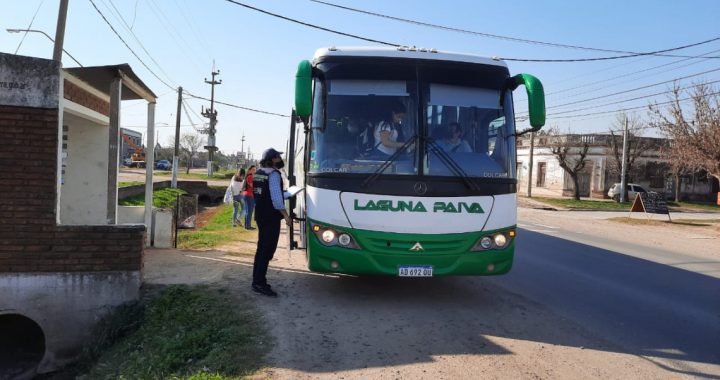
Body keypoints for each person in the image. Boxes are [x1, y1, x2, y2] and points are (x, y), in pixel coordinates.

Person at [251, 148, 292, 297]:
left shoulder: (259, 173)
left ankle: (257, 281)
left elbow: (265, 194)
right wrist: (286, 216)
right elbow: (276, 199)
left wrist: (283, 195)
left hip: (261, 215)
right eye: (278, 157)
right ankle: (259, 283)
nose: (280, 159)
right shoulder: (274, 174)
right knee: (267, 250)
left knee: (261, 248)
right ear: (273, 159)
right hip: (270, 218)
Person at [242, 165, 256, 230]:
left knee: (248, 211)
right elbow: (252, 186)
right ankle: (248, 226)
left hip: (247, 195)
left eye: (255, 169)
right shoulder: (250, 176)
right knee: (249, 211)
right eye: (253, 169)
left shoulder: (249, 176)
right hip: (249, 195)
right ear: (250, 170)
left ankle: (247, 226)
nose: (254, 171)